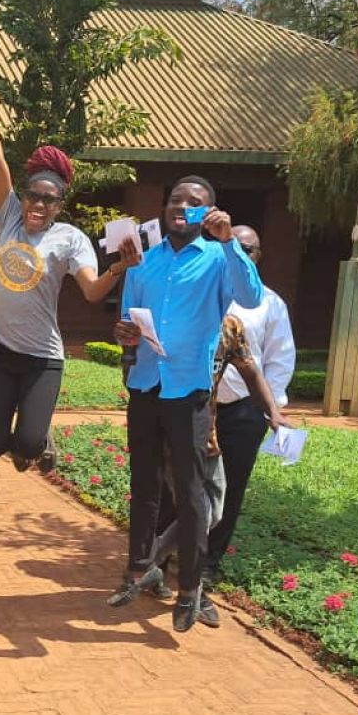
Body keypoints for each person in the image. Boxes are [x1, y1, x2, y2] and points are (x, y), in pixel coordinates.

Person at [0, 66, 137, 473]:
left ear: (60, 205)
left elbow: (92, 292)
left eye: (49, 200)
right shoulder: (8, 222)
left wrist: (118, 268)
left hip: (43, 358)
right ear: (23, 198)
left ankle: (38, 436)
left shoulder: (70, 238)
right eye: (33, 196)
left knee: (27, 443)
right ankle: (31, 431)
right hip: (1, 351)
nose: (38, 205)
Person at [114, 176, 263, 633]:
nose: (182, 206)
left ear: (210, 212)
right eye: (175, 199)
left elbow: (251, 295)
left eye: (194, 202)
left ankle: (190, 588)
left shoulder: (219, 259)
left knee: (191, 489)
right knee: (144, 481)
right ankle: (140, 568)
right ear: (164, 208)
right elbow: (126, 320)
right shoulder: (143, 262)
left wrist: (229, 243)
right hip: (145, 383)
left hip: (189, 391)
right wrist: (125, 334)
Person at [110, 313, 289, 623]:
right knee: (194, 511)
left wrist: (273, 412)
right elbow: (132, 379)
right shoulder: (164, 321)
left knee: (212, 513)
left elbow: (250, 370)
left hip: (206, 437)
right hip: (166, 437)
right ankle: (176, 582)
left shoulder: (229, 327)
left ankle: (152, 564)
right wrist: (131, 346)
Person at [204, 224, 296, 573]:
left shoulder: (270, 304)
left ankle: (207, 567)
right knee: (180, 484)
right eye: (234, 248)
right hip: (197, 407)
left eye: (249, 250)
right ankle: (162, 559)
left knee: (230, 489)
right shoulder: (202, 292)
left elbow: (279, 358)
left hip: (244, 411)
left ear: (259, 257)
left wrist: (270, 411)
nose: (241, 255)